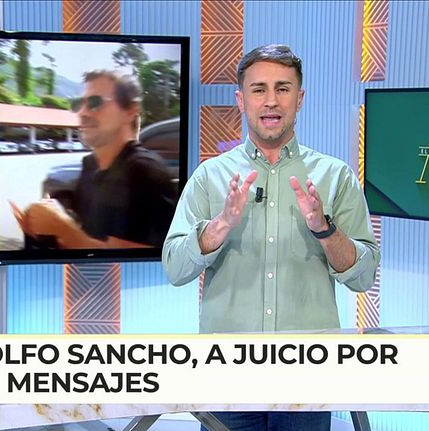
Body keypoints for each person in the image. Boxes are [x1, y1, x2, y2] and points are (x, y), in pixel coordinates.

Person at [162, 45, 380, 430]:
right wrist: (220, 225)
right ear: (241, 99)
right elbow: (175, 268)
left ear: (300, 98)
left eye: (283, 88)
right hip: (225, 372)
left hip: (308, 374)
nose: (271, 101)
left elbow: (364, 277)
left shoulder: (335, 176)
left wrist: (325, 229)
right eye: (259, 89)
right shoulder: (210, 177)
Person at [12, 70, 176, 249]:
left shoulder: (145, 172)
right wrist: (43, 229)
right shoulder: (90, 166)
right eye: (78, 104)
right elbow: (86, 239)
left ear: (130, 111)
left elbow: (145, 262)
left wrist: (64, 229)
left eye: (95, 102)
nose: (82, 112)